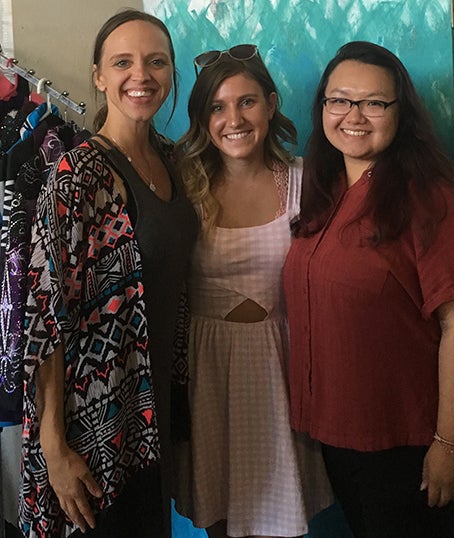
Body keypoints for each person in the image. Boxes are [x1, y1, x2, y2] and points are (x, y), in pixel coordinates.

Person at [283, 41, 454, 538]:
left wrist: (450, 444)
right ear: (323, 108)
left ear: (401, 113)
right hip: (339, 434)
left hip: (409, 440)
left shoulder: (430, 200)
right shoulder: (324, 192)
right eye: (339, 100)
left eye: (374, 102)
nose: (354, 115)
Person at [19, 9, 198, 538]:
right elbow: (43, 316)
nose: (140, 76)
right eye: (123, 62)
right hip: (91, 426)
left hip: (151, 414)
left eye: (156, 62)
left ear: (170, 74)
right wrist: (54, 448)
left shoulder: (173, 162)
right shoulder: (78, 175)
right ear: (98, 76)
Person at [174, 45, 332, 538]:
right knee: (220, 517)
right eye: (217, 107)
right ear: (202, 119)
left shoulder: (307, 181)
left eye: (246, 102)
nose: (233, 119)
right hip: (208, 369)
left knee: (278, 517)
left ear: (271, 103)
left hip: (279, 366)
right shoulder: (182, 186)